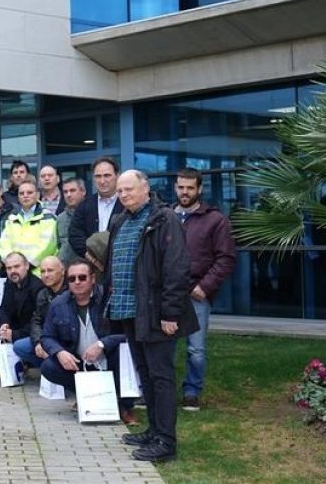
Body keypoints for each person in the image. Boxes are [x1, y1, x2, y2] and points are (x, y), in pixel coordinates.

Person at [108, 170, 199, 463]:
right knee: (145, 374)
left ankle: (166, 442)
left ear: (145, 189)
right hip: (129, 312)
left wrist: (170, 313)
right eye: (120, 191)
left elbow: (177, 269)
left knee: (161, 377)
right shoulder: (121, 220)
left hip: (155, 313)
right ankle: (154, 431)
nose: (123, 195)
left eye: (129, 189)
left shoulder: (163, 219)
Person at [40, 259, 136, 423]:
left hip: (108, 359)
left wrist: (102, 344)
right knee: (48, 366)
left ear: (92, 278)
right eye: (72, 279)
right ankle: (85, 396)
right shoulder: (58, 304)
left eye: (82, 277)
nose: (77, 282)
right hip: (79, 362)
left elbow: (128, 333)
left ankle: (124, 406)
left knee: (124, 353)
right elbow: (47, 337)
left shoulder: (109, 299)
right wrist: (60, 352)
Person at [173, 167, 237, 412]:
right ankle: (162, 392)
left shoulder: (215, 219)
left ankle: (192, 392)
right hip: (168, 293)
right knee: (163, 348)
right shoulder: (166, 215)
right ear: (176, 187)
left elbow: (226, 258)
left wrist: (205, 286)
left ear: (199, 189)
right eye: (181, 187)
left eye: (190, 188)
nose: (185, 192)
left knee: (196, 350)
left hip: (196, 294)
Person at [0, 252, 44, 361]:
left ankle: (30, 364)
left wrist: (14, 335)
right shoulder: (9, 283)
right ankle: (11, 364)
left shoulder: (37, 287)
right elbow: (3, 308)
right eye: (9, 268)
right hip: (17, 325)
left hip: (33, 331)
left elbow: (38, 322)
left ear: (27, 266)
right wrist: (4, 324)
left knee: (19, 344)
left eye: (17, 266)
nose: (13, 271)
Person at [13, 256, 66, 370]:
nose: (46, 275)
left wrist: (51, 345)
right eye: (42, 271)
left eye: (50, 270)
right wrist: (38, 342)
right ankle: (51, 370)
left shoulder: (71, 292)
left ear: (62, 271)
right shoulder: (43, 293)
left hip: (65, 340)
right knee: (19, 346)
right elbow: (36, 320)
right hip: (47, 337)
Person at [68, 157, 123, 259]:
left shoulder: (127, 203)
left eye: (107, 175)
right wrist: (91, 257)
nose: (102, 181)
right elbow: (75, 235)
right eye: (98, 176)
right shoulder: (84, 205)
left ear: (117, 176)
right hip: (92, 265)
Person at [0, 180, 58, 272]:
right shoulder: (12, 218)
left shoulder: (48, 217)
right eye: (21, 193)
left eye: (29, 192)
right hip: (15, 273)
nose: (25, 195)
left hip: (39, 274)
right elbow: (4, 245)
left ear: (38, 195)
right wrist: (13, 265)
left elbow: (47, 247)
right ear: (18, 196)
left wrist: (23, 266)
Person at [56, 177, 86, 264]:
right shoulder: (60, 218)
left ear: (83, 191)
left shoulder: (92, 213)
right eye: (65, 192)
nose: (68, 195)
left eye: (72, 190)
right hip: (65, 268)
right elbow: (58, 245)